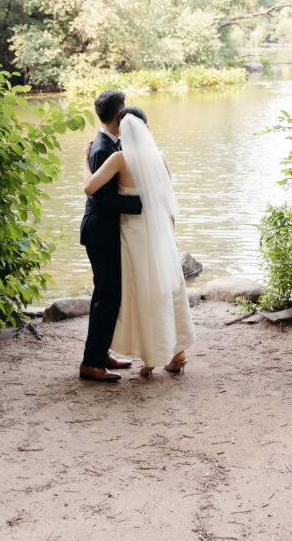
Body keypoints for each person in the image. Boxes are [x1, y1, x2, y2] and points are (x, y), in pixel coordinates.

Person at [83, 106, 196, 378]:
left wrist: (83, 160)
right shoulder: (160, 157)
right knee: (167, 288)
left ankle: (152, 356)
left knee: (143, 293)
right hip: (160, 232)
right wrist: (171, 235)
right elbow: (168, 201)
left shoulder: (120, 159)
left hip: (133, 235)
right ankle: (177, 352)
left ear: (122, 130)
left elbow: (89, 188)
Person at [79, 89, 143, 383]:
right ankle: (91, 363)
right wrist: (142, 203)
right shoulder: (104, 149)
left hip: (105, 232)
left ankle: (101, 353)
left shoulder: (109, 143)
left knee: (109, 295)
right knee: (107, 296)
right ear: (120, 114)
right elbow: (104, 199)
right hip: (100, 233)